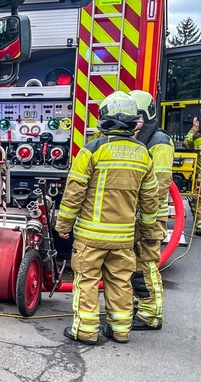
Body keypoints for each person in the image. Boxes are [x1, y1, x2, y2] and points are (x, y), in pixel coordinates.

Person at [57, 91, 160, 345]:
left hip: (91, 236)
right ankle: (121, 329)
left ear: (104, 117)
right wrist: (147, 229)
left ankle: (86, 330)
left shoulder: (92, 150)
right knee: (120, 282)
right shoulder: (144, 154)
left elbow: (74, 191)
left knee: (88, 280)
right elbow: (150, 199)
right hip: (123, 238)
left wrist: (63, 225)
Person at [129, 90, 173, 331]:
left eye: (137, 118)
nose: (133, 123)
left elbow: (159, 186)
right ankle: (141, 307)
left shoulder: (159, 143)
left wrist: (148, 224)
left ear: (149, 116)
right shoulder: (141, 142)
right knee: (135, 266)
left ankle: (151, 315)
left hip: (150, 218)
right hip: (137, 217)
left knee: (145, 267)